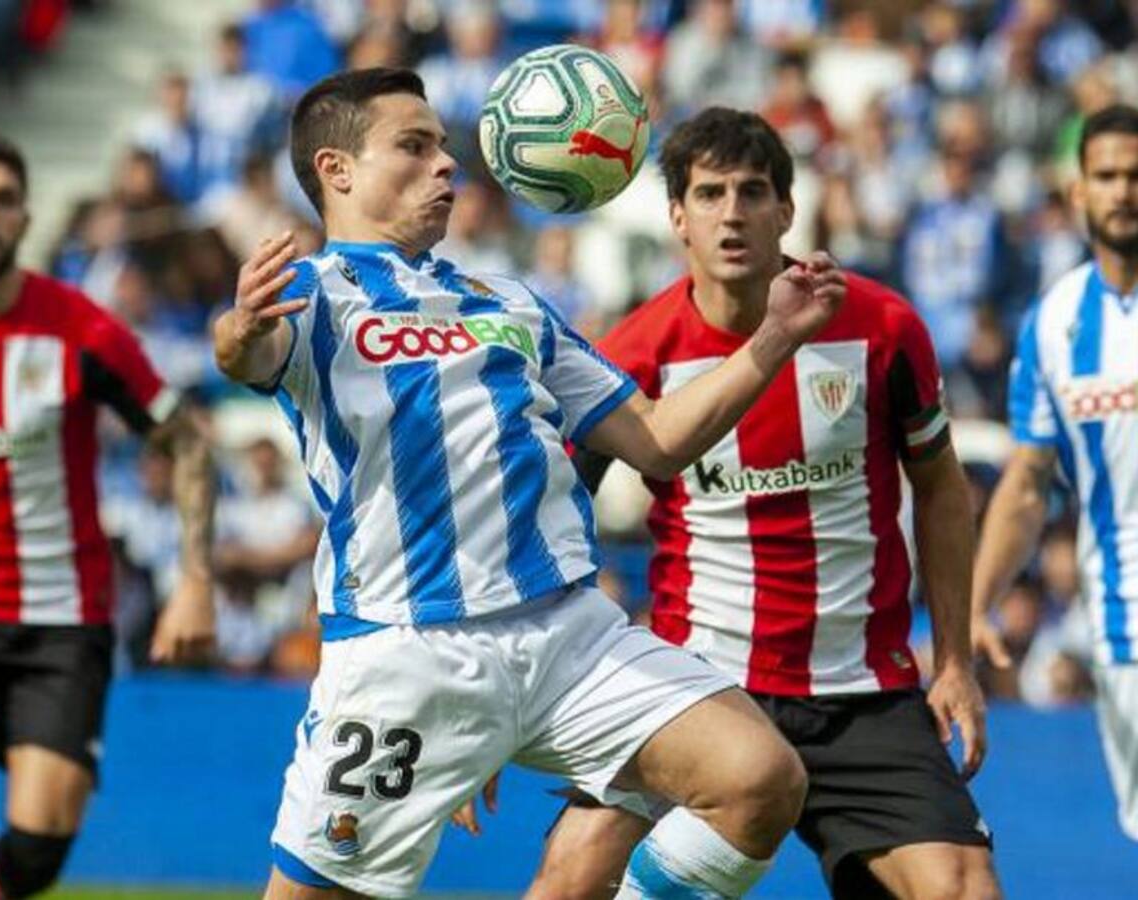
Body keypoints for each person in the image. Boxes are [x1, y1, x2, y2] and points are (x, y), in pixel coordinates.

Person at [212, 68, 845, 900]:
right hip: (410, 654)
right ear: (337, 171)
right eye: (416, 145)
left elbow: (656, 440)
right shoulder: (310, 295)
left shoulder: (507, 299)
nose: (448, 165)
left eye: (443, 145)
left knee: (759, 778)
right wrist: (241, 329)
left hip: (569, 634)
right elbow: (246, 355)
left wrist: (770, 341)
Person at [488, 108, 1001, 900]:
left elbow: (940, 489)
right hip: (695, 680)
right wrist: (490, 699)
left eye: (753, 192)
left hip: (862, 690)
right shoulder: (634, 353)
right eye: (710, 193)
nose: (732, 213)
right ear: (677, 218)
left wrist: (958, 660)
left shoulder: (882, 327)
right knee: (571, 878)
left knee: (964, 889)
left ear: (787, 211)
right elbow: (547, 518)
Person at [0, 136, 217, 900]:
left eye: (2, 198)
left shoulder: (79, 329)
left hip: (61, 616)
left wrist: (195, 579)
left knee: (39, 848)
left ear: (27, 215)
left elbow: (185, 441)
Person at [972, 103, 1138, 841]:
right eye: (1106, 176)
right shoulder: (1054, 323)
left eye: (1137, 175)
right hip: (1123, 619)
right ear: (1079, 193)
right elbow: (1028, 482)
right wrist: (972, 606)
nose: (1124, 191)